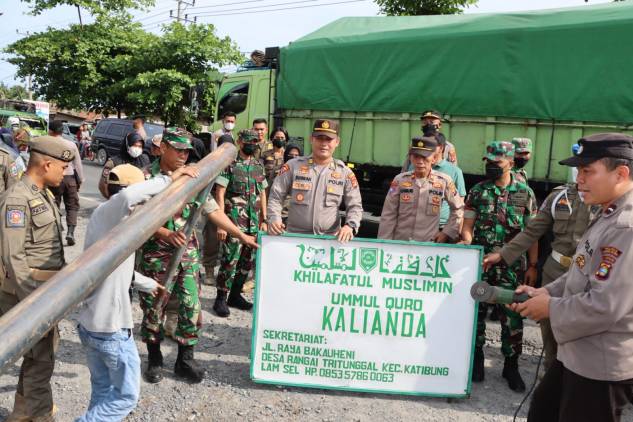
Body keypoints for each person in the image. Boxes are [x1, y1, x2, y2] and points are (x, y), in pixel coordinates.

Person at [510, 133, 633, 422]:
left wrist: (549, 308)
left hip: (600, 364)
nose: (579, 178)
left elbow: (605, 306)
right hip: (576, 353)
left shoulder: (626, 227)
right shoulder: (607, 212)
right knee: (542, 411)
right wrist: (546, 293)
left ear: (621, 173)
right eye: (578, 171)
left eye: (588, 171)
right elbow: (580, 267)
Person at [139, 128, 258, 384]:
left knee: (191, 306)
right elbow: (137, 218)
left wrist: (241, 235)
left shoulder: (194, 176)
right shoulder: (147, 176)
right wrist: (164, 234)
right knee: (154, 307)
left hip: (188, 255)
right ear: (163, 148)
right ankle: (155, 358)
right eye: (178, 149)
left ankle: (185, 360)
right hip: (157, 255)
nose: (183, 155)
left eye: (187, 151)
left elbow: (213, 211)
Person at [483, 178, 597, 372]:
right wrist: (503, 254)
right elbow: (532, 231)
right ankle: (551, 373)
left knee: (581, 329)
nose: (582, 175)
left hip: (586, 274)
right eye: (581, 168)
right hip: (555, 271)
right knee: (549, 329)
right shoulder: (559, 196)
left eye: (588, 169)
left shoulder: (606, 200)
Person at [0, 136, 74, 422]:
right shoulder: (18, 199)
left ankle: (22, 415)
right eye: (63, 167)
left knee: (38, 358)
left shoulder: (43, 194)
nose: (65, 172)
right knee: (41, 360)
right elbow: (13, 257)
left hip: (42, 290)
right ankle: (40, 416)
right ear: (47, 164)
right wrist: (35, 303)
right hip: (26, 293)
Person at [460, 140, 538, 392]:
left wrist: (533, 265)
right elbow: (468, 227)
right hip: (482, 264)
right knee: (477, 312)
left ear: (511, 163)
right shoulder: (477, 191)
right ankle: (477, 360)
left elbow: (532, 232)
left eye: (497, 163)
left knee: (512, 315)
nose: (491, 166)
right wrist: (467, 244)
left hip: (513, 267)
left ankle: (511, 366)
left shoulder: (525, 193)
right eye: (489, 162)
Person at [267, 119, 363, 242]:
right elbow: (276, 196)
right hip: (294, 239)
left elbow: (355, 205)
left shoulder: (344, 173)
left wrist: (350, 226)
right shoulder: (293, 166)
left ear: (337, 142)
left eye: (329, 139)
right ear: (311, 139)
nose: (324, 143)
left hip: (330, 241)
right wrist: (274, 218)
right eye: (319, 138)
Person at [212, 129, 267, 316]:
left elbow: (263, 193)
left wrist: (264, 219)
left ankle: (235, 295)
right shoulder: (230, 166)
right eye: (248, 141)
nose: (252, 144)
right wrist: (220, 224)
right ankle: (220, 298)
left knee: (246, 263)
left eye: (255, 142)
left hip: (252, 225)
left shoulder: (259, 166)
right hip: (233, 223)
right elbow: (219, 194)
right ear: (240, 142)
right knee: (229, 261)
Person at [378, 136, 463, 242]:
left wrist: (447, 232)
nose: (420, 161)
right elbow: (389, 213)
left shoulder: (444, 181)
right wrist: (384, 242)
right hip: (400, 244)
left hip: (428, 246)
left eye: (424, 157)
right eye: (416, 157)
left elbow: (458, 208)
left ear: (434, 158)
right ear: (410, 157)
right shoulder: (399, 180)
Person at [48, 120, 84, 246]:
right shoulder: (71, 144)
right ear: (62, 131)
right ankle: (70, 232)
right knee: (72, 206)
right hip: (70, 179)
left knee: (54, 205)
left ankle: (56, 232)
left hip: (53, 179)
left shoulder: (48, 144)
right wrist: (80, 179)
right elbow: (78, 164)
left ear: (50, 131)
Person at [98, 131, 151, 198]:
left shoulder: (145, 160)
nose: (137, 148)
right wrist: (110, 199)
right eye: (134, 145)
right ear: (127, 145)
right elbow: (103, 185)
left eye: (140, 146)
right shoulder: (113, 162)